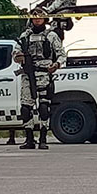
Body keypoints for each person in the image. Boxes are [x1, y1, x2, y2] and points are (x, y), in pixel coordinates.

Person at [14, 8, 66, 149]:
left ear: (45, 19)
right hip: (27, 74)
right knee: (25, 108)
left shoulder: (51, 36)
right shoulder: (25, 36)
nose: (37, 19)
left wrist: (56, 64)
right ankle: (29, 139)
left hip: (44, 74)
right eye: (34, 17)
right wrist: (18, 57)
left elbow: (62, 54)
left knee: (44, 107)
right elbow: (15, 52)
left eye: (40, 17)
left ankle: (43, 139)